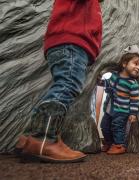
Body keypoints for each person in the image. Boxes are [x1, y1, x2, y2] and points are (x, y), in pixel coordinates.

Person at [15, 0, 102, 163]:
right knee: (67, 86)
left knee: (60, 87)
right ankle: (44, 139)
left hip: (67, 42)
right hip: (72, 42)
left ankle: (28, 138)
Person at [100, 45, 139, 155]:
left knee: (117, 127)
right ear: (124, 64)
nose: (138, 68)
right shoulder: (114, 75)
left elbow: (135, 99)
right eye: (135, 63)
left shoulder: (132, 83)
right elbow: (108, 84)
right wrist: (101, 81)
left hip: (122, 111)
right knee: (104, 125)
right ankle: (109, 142)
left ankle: (119, 145)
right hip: (109, 108)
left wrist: (133, 113)